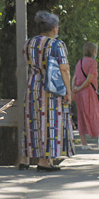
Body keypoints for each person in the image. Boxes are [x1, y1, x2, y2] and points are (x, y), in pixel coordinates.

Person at [19, 11, 75, 172]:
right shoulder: (56, 44)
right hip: (51, 87)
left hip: (33, 84)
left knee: (33, 121)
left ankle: (25, 157)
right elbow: (64, 69)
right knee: (50, 121)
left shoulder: (28, 43)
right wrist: (68, 92)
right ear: (55, 28)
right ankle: (45, 160)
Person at [72, 42, 99, 149]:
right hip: (89, 92)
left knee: (81, 115)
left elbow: (75, 77)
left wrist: (75, 89)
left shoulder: (80, 62)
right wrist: (81, 87)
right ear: (94, 51)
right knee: (96, 114)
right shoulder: (93, 63)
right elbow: (89, 79)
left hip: (79, 93)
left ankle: (84, 143)